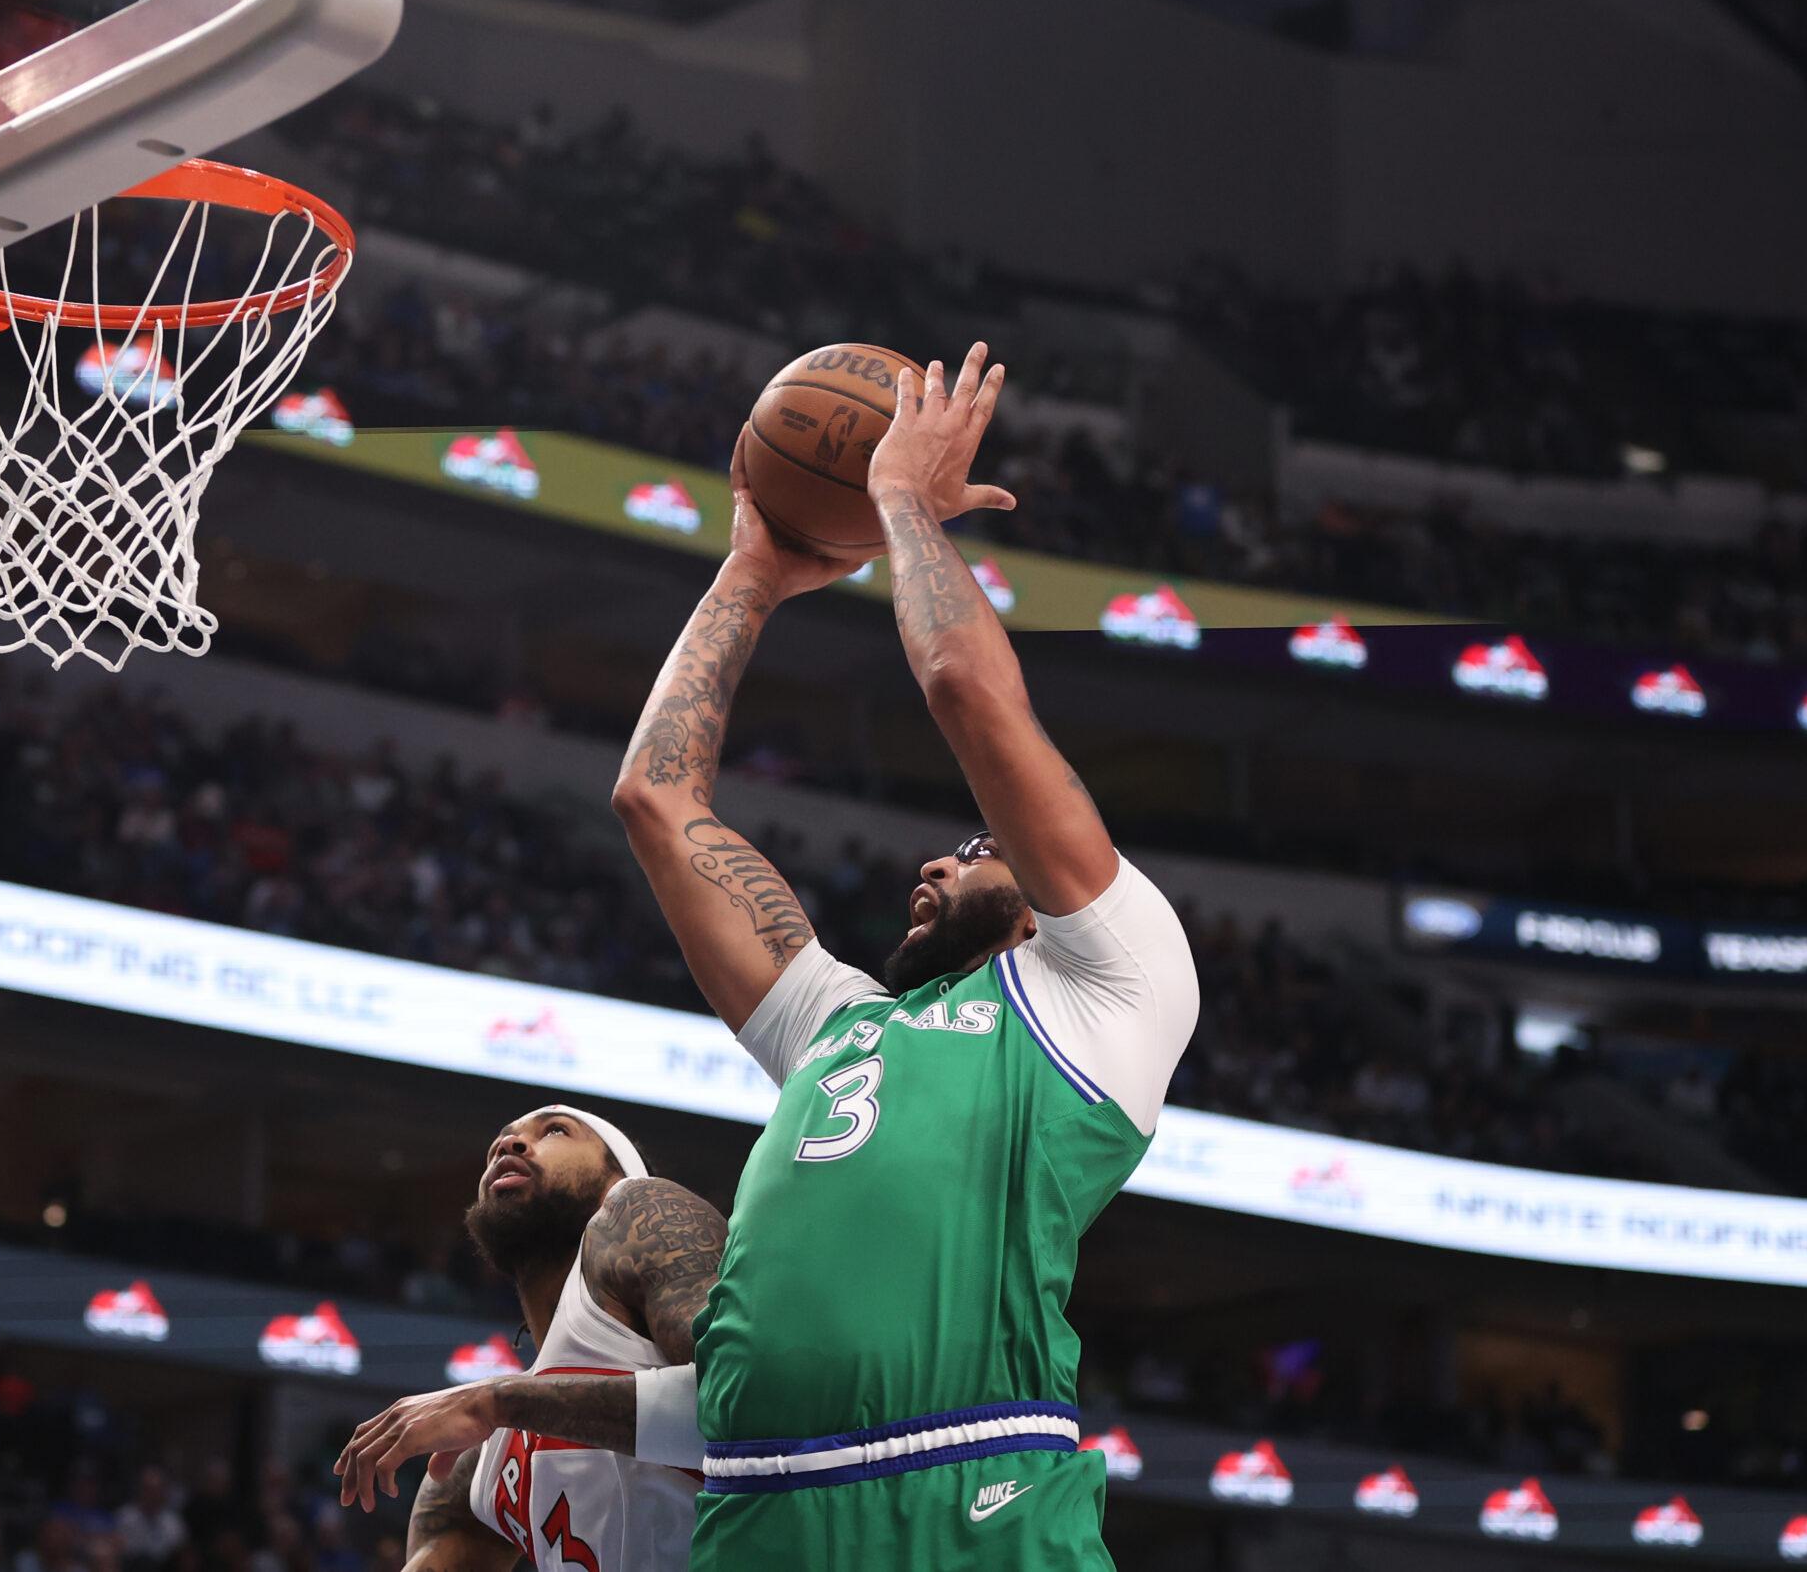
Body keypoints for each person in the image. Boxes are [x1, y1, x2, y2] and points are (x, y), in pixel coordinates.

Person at [337, 346, 1198, 1569]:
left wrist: (898, 499)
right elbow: (654, 800)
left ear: (1039, 907)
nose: (937, 860)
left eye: (974, 850)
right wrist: (749, 574)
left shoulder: (1112, 985)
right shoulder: (838, 1023)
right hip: (761, 1515)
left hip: (965, 1490)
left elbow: (966, 687)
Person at [333, 1106, 726, 1570]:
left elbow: (750, 1397)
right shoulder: (483, 1462)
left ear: (618, 1176)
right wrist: (500, 1405)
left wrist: (497, 1401)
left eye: (555, 1131)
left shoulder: (642, 1207)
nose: (508, 1144)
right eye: (500, 1141)